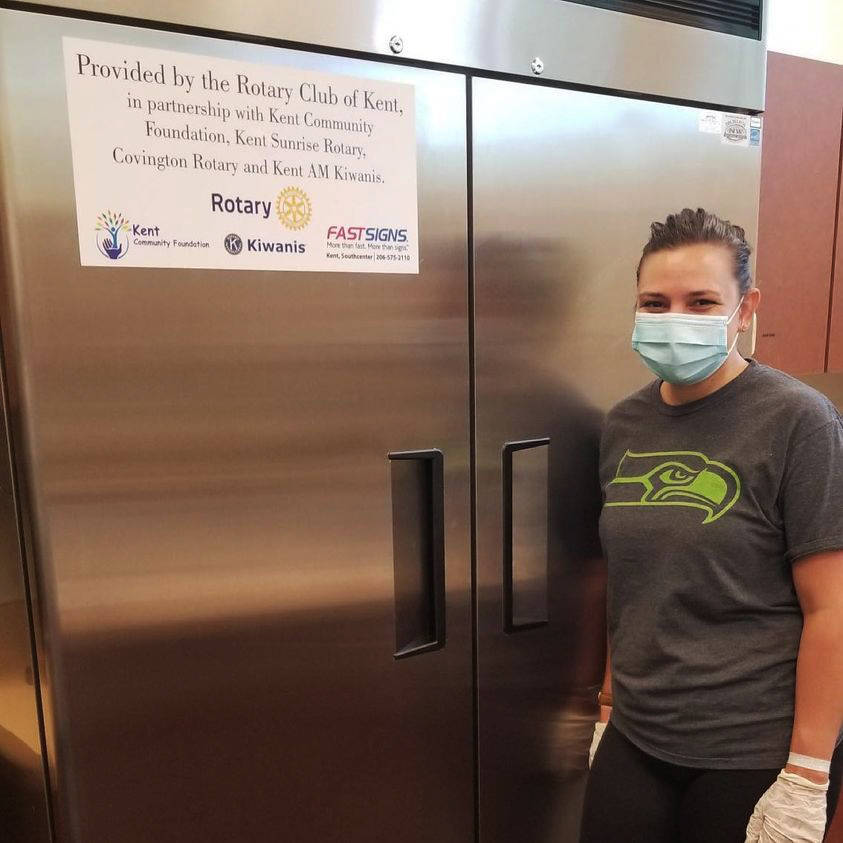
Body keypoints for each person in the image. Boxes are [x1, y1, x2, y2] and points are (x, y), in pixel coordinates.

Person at [579, 208, 843, 843]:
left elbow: (831, 609)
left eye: (701, 302)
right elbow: (631, 578)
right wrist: (609, 704)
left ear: (745, 308)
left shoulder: (799, 422)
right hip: (637, 736)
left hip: (750, 753)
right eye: (656, 302)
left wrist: (807, 774)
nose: (676, 319)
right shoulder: (624, 424)